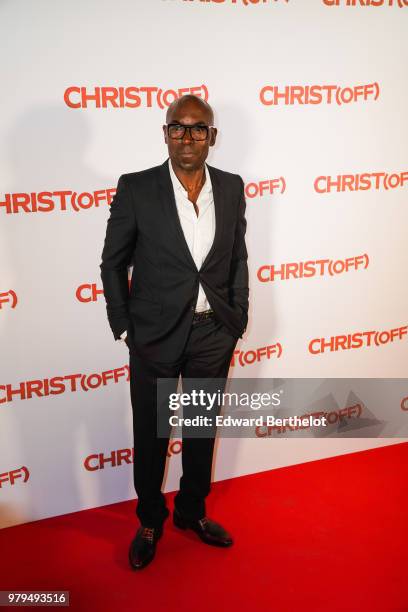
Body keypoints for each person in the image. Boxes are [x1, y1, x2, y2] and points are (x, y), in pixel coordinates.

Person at [100, 94, 249, 570]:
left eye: (198, 128)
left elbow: (238, 257)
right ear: (165, 134)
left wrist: (237, 316)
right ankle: (149, 520)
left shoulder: (230, 187)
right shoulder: (137, 188)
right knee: (153, 436)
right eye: (178, 128)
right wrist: (125, 328)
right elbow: (112, 263)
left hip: (212, 335)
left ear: (212, 137)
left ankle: (191, 511)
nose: (188, 137)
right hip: (154, 337)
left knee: (202, 431)